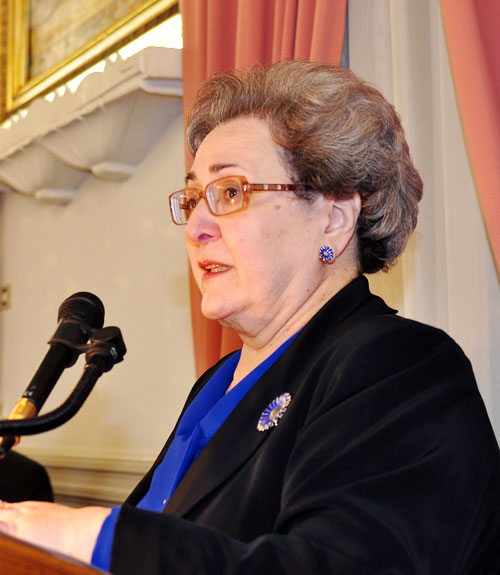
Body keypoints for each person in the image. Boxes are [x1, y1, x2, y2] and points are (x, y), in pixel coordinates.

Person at [0, 61, 499, 574]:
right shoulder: (216, 385)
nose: (196, 226)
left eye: (231, 192)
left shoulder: (400, 366)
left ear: (334, 218)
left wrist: (92, 534)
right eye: (193, 198)